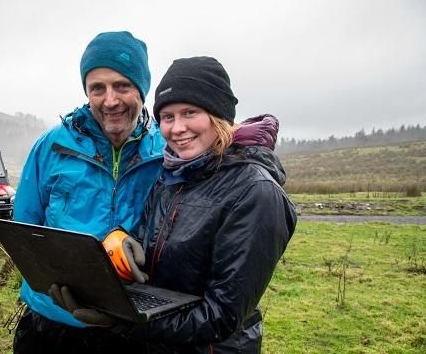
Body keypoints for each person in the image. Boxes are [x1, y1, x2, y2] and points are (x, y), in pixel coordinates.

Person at [50, 56, 297, 353]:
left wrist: (124, 321)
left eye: (190, 112)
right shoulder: (173, 174)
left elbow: (221, 316)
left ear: (218, 116)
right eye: (167, 117)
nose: (177, 128)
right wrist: (122, 242)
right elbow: (149, 243)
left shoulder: (255, 192)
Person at [12, 31, 166, 352]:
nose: (110, 100)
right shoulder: (51, 146)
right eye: (97, 88)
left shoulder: (165, 153)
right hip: (53, 321)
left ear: (142, 89)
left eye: (122, 86)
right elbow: (24, 231)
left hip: (131, 325)